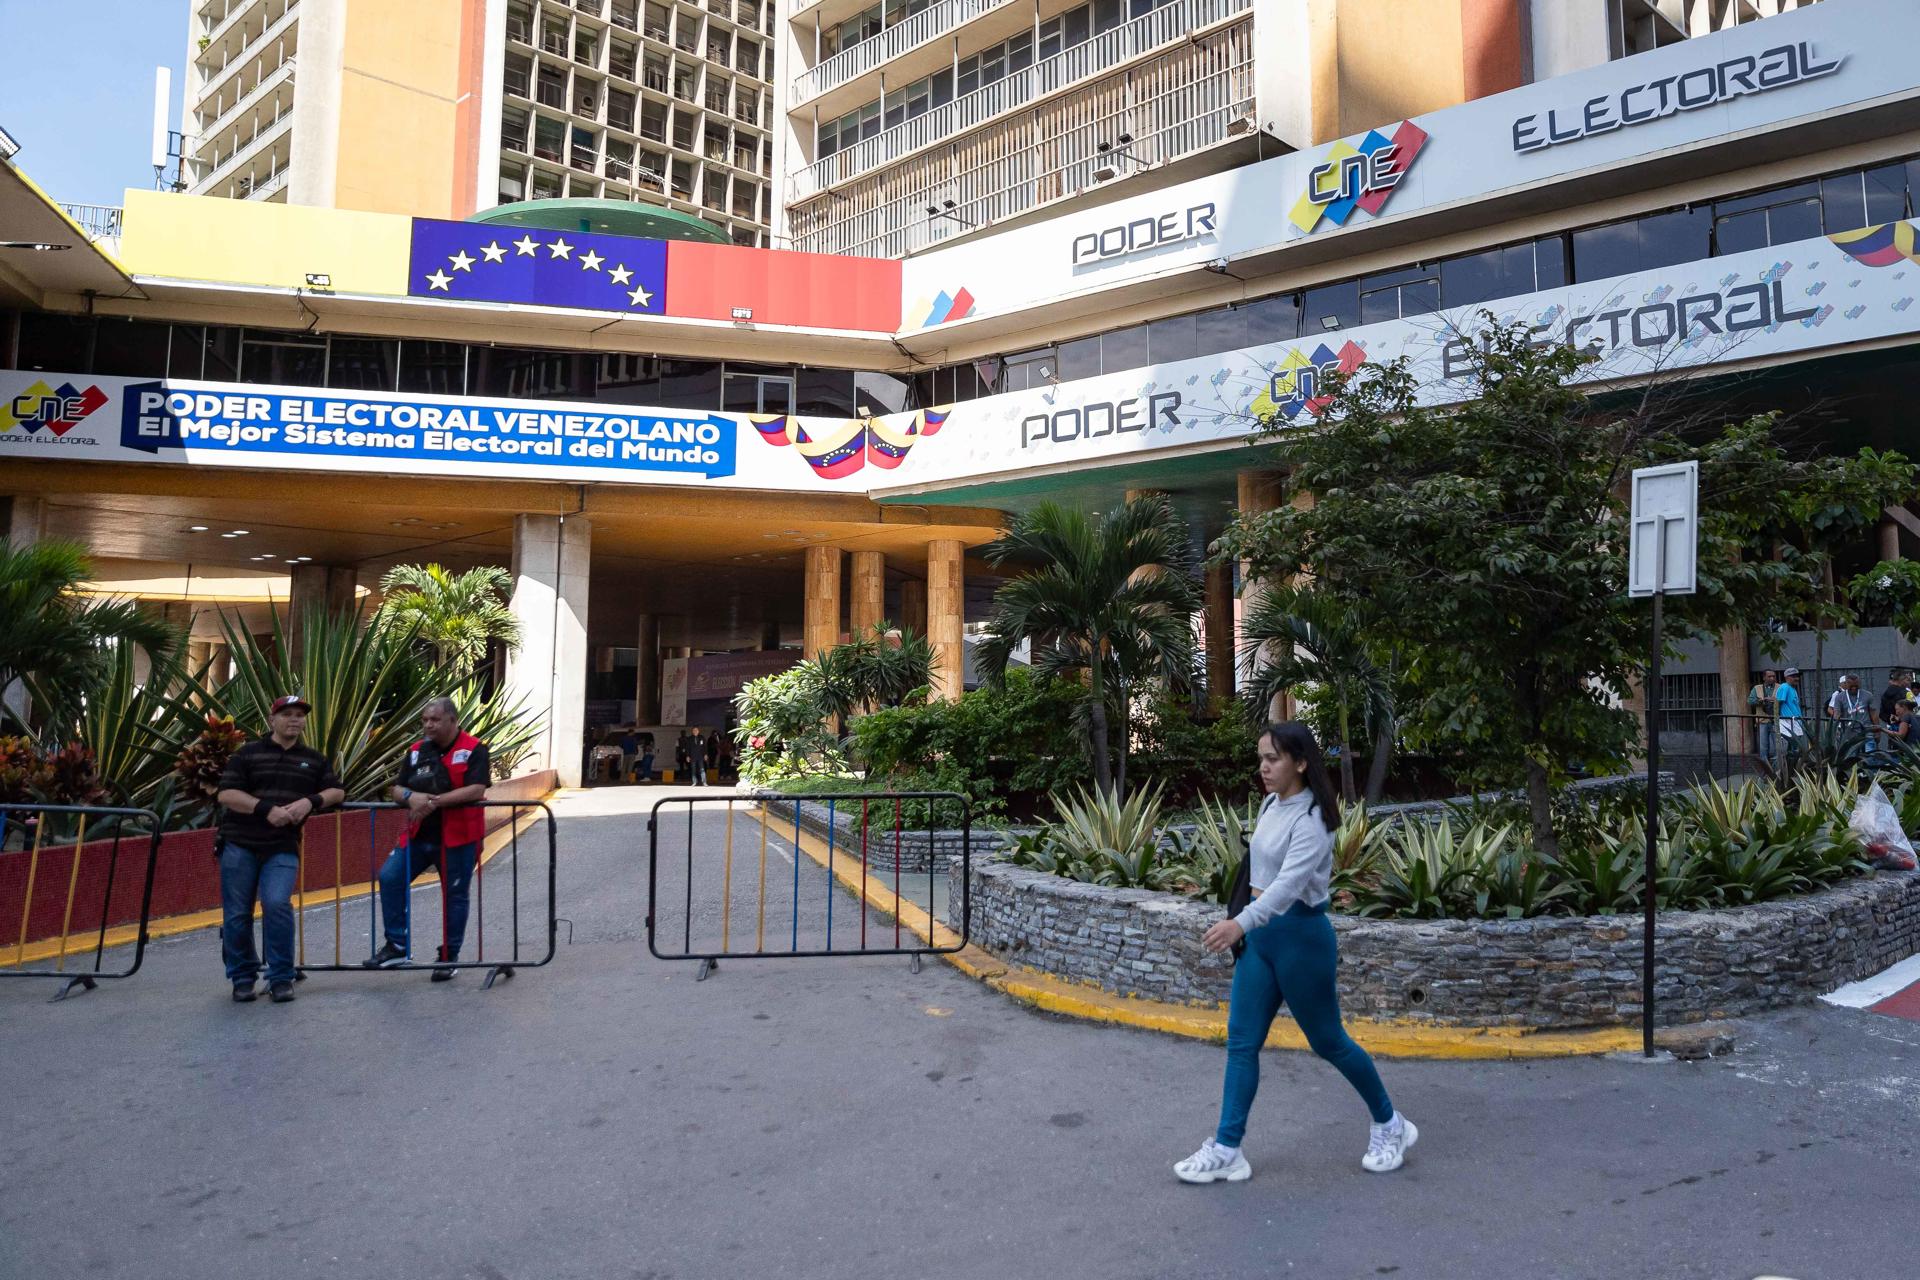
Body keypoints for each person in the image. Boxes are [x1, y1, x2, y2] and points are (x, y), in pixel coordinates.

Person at [1174, 722, 1415, 1185]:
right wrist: (1246, 923)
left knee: (1329, 1042)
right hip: (1262, 942)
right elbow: (1260, 873)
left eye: (1274, 759)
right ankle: (1228, 1148)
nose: (1263, 767)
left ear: (1301, 763)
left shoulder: (1315, 822)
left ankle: (1391, 1124)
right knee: (1242, 1043)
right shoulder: (1271, 804)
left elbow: (1286, 889)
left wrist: (1238, 923)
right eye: (1261, 757)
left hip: (1302, 940)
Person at [214, 695, 344, 1004]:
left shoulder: (313, 759)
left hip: (281, 846)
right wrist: (264, 809)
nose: (294, 720)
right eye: (287, 714)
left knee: (277, 904)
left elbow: (337, 790)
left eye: (299, 715)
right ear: (272, 720)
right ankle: (243, 977)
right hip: (239, 843)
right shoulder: (248, 754)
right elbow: (227, 794)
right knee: (237, 915)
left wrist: (309, 801)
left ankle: (281, 977)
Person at [364, 697, 492, 981]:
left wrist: (432, 802)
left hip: (458, 836)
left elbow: (476, 789)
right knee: (390, 876)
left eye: (434, 720)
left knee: (455, 895)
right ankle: (397, 945)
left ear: (452, 720)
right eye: (424, 720)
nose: (428, 725)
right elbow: (397, 790)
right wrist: (411, 797)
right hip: (418, 834)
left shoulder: (474, 749)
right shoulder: (415, 752)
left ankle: (449, 956)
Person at [1747, 670, 1780, 771]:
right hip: (1762, 721)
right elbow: (1750, 700)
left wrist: (1775, 700)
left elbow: (1784, 700)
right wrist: (1761, 701)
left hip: (1776, 721)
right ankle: (1765, 771)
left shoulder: (1780, 687)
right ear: (1764, 678)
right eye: (1769, 676)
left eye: (1773, 676)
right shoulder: (1757, 688)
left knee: (1777, 748)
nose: (1772, 678)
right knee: (1763, 748)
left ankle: (1777, 770)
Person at [1778, 668, 1807, 771]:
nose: (1796, 678)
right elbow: (1778, 702)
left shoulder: (1793, 689)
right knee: (1788, 748)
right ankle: (1785, 769)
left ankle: (1794, 768)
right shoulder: (1784, 687)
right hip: (1788, 721)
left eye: (1797, 676)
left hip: (1796, 721)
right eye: (1793, 676)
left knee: (1796, 747)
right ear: (1787, 677)